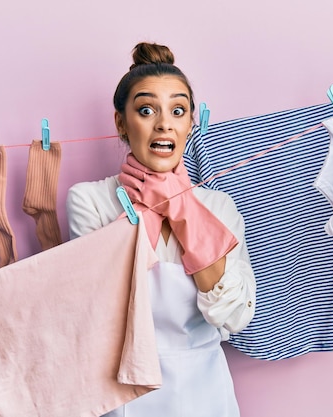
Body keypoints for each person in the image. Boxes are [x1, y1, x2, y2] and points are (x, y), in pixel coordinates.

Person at [66, 42, 256, 417]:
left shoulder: (218, 208)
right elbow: (103, 309)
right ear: (121, 122)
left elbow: (233, 316)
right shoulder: (89, 201)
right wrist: (153, 208)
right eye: (146, 109)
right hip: (126, 392)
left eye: (178, 110)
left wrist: (182, 209)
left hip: (207, 394)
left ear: (190, 123)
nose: (164, 123)